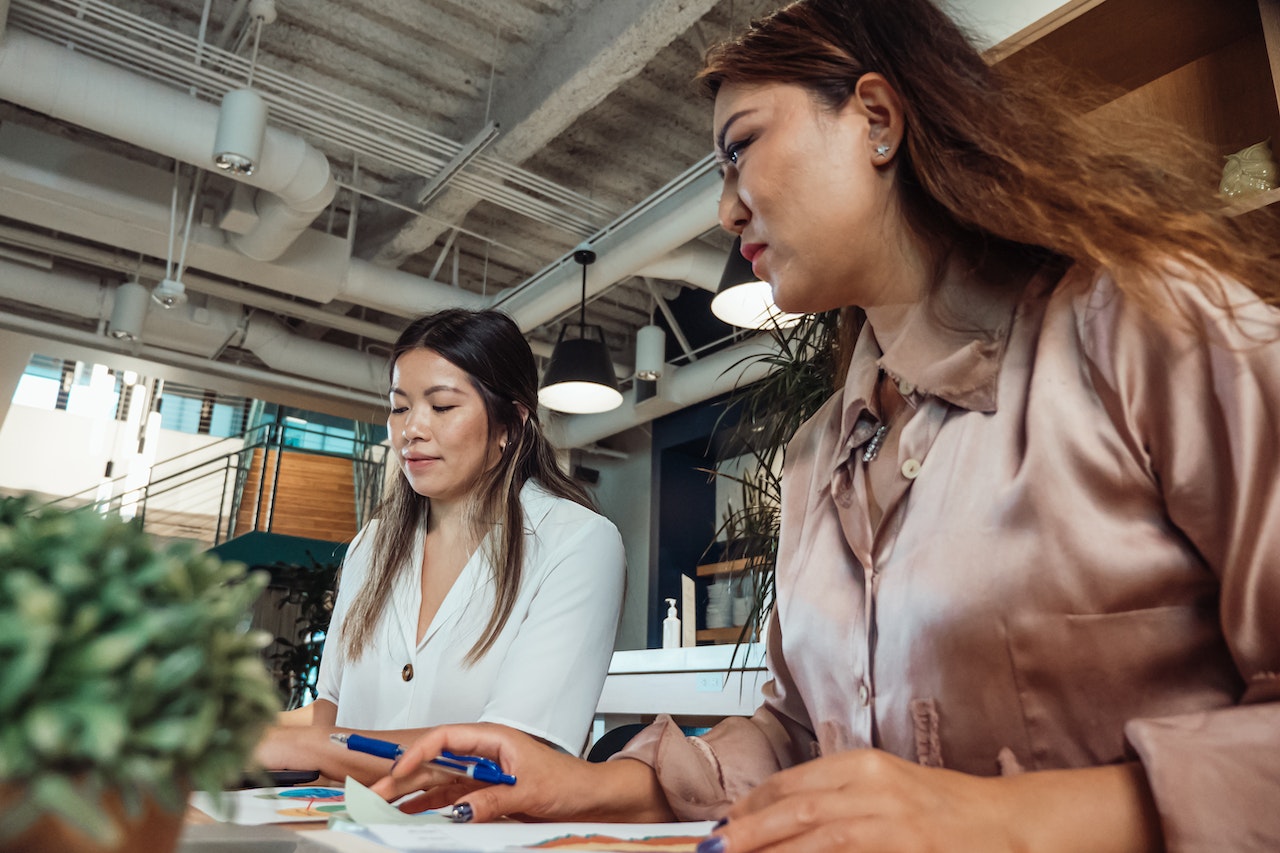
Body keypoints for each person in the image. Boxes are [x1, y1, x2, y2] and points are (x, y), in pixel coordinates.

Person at [370, 0, 1280, 849]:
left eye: (740, 149)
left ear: (877, 119)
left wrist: (998, 816)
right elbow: (799, 730)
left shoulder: (1149, 325)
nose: (727, 210)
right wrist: (591, 784)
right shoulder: (817, 453)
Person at [254, 309, 626, 783]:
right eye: (400, 406)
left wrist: (301, 745)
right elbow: (331, 709)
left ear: (510, 423)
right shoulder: (372, 544)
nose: (411, 429)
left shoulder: (576, 542)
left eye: (442, 407)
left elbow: (511, 755)